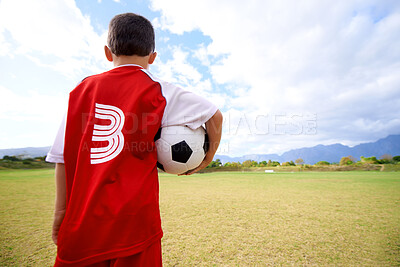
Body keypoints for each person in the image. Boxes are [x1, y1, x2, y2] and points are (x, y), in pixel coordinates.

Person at [46, 13, 223, 266]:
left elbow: (61, 158)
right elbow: (214, 116)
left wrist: (61, 212)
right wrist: (207, 158)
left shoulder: (80, 90)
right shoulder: (159, 89)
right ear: (152, 57)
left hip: (82, 226)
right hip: (136, 226)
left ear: (108, 53)